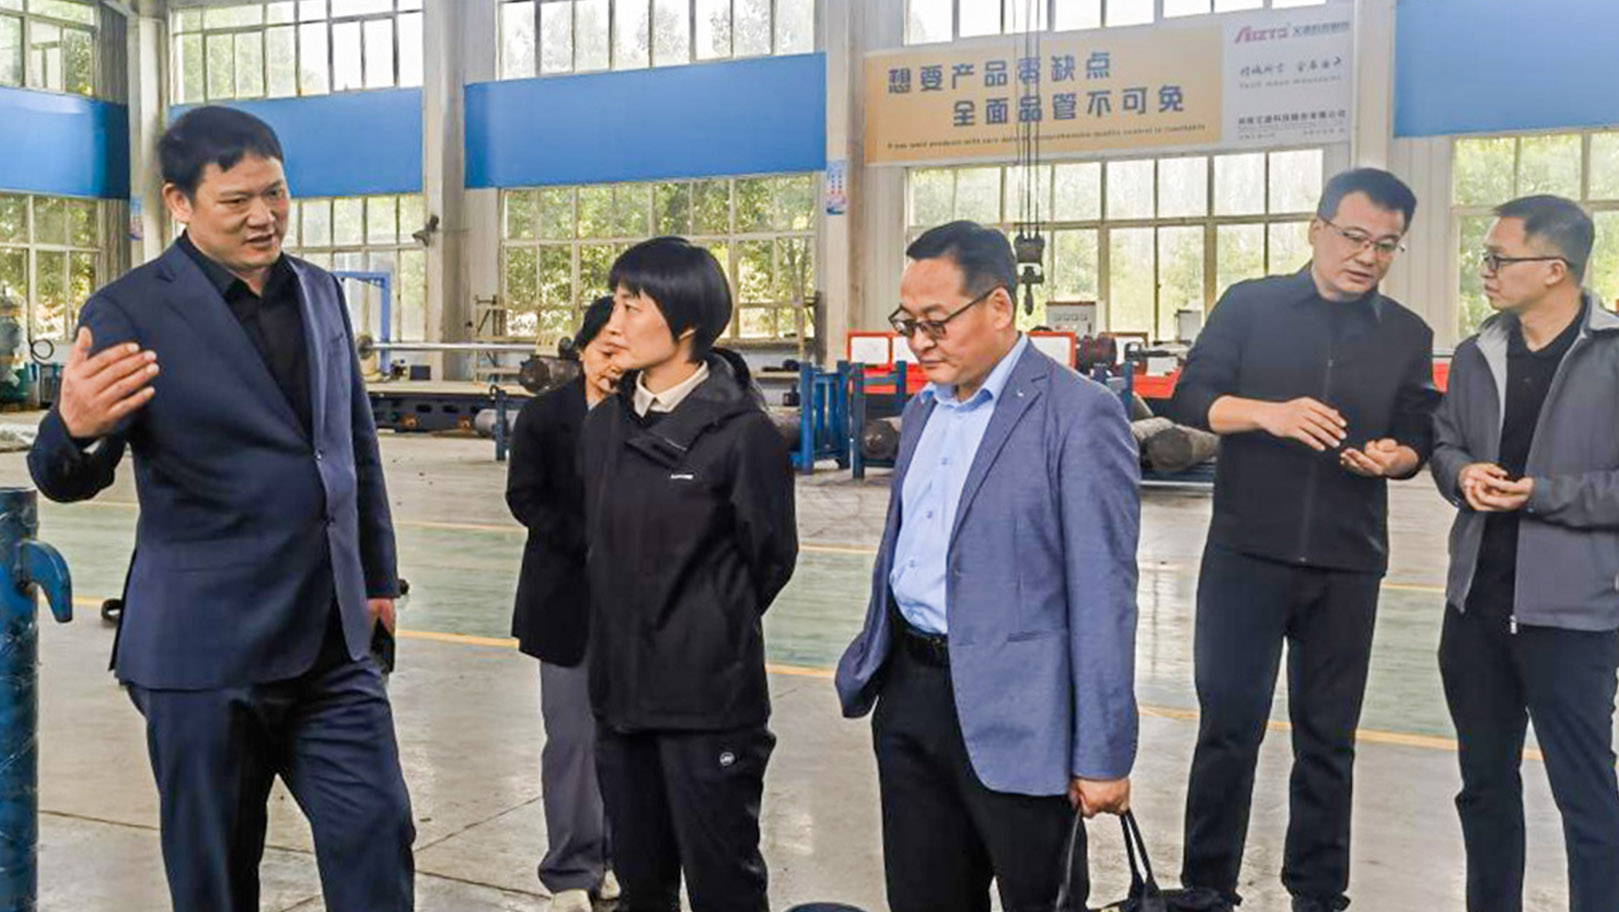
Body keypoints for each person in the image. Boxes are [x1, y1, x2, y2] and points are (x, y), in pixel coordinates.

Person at [27, 106, 414, 911]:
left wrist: (377, 577)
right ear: (179, 202)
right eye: (236, 200)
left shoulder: (319, 293)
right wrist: (75, 429)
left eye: (275, 193)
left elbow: (352, 445)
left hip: (331, 641)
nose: (263, 216)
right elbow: (63, 478)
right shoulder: (132, 311)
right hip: (205, 654)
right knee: (216, 875)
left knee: (378, 834)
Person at [835, 220, 1140, 912]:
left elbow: (1104, 594)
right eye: (907, 323)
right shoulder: (922, 411)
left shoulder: (1079, 416)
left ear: (999, 306)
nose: (918, 341)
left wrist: (1102, 753)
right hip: (912, 694)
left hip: (1023, 714)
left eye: (935, 322)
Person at [1169, 168, 1439, 912]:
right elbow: (1191, 398)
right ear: (1316, 229)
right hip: (1244, 557)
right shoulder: (1250, 307)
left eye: (1385, 245)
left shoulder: (1405, 334)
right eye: (1353, 237)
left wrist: (1396, 457)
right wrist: (1269, 414)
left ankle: (1318, 893)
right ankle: (1207, 886)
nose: (1366, 256)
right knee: (1229, 729)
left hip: (1347, 563)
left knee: (1328, 738)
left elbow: (1417, 430)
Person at [579, 236, 798, 912]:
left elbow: (769, 558)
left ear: (686, 325)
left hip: (707, 704)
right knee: (640, 884)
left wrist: (704, 624)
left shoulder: (742, 434)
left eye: (632, 307)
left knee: (723, 883)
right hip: (621, 698)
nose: (614, 324)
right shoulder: (605, 425)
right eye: (614, 303)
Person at [1430, 195, 1619, 912]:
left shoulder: (1611, 356)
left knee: (1586, 794)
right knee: (1483, 788)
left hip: (1572, 617)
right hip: (1474, 609)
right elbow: (1445, 442)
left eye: (1497, 258)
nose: (1484, 270)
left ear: (1553, 269)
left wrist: (1543, 494)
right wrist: (1460, 475)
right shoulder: (1476, 354)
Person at [506, 296, 622, 911]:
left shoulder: (646, 416)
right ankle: (573, 870)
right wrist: (591, 541)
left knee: (629, 737)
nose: (614, 363)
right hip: (566, 600)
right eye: (605, 350)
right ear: (581, 351)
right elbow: (525, 497)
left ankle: (625, 858)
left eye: (624, 351)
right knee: (574, 741)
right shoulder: (545, 417)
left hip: (636, 608)